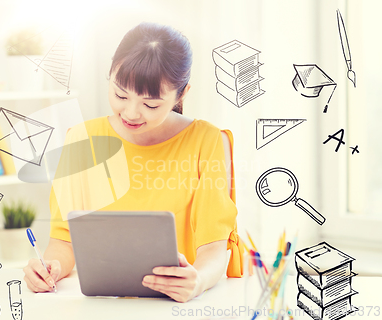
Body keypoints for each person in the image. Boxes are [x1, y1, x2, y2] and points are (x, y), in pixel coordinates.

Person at [23, 22, 244, 303]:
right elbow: (64, 240)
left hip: (178, 306)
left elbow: (214, 248)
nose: (130, 113)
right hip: (109, 306)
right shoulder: (82, 140)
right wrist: (49, 269)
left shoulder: (208, 141)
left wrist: (197, 280)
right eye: (120, 94)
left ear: (182, 94)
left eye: (150, 105)